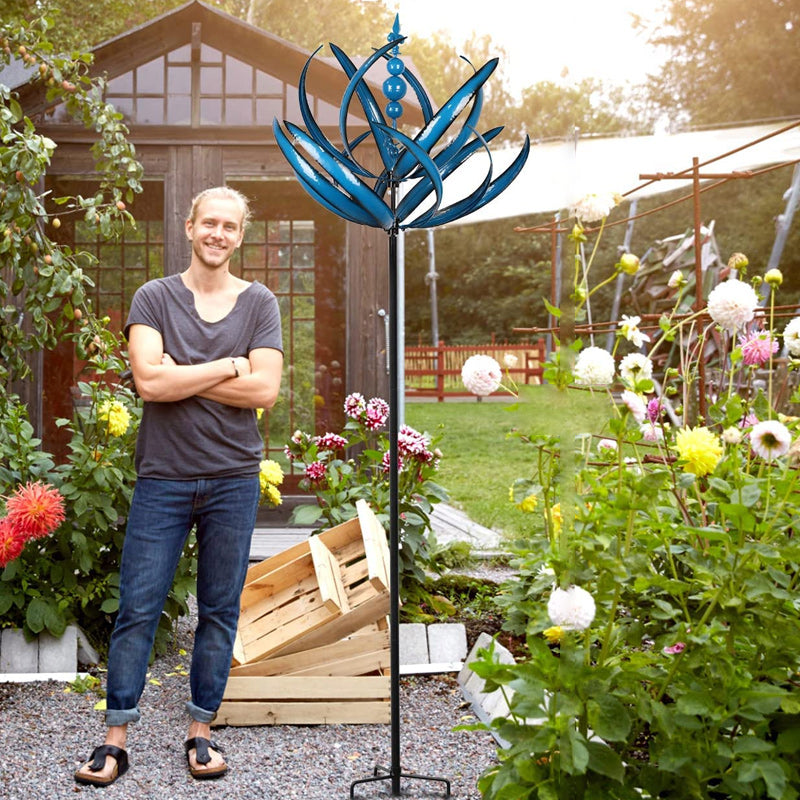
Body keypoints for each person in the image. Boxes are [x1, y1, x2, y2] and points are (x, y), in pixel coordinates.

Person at [74, 186, 284, 786]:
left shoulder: (260, 303)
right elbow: (148, 383)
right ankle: (115, 740)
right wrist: (228, 365)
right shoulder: (155, 297)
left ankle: (200, 731)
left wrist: (181, 375)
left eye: (229, 226)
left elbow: (265, 391)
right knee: (137, 608)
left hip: (233, 478)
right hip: (163, 477)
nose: (218, 234)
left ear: (239, 235)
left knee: (219, 609)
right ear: (190, 227)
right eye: (208, 223)